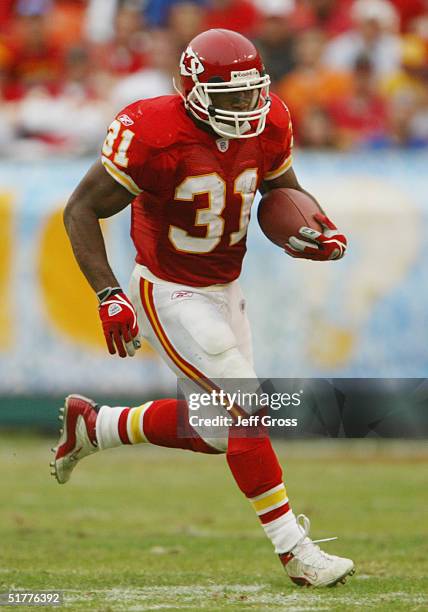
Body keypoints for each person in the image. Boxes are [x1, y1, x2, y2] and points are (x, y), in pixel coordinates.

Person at [50, 28, 353, 588]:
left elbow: (281, 193)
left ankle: (97, 426)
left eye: (252, 93)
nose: (246, 107)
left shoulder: (271, 120)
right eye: (230, 97)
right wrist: (108, 293)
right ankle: (295, 552)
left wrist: (315, 229)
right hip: (169, 290)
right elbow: (80, 209)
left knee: (220, 431)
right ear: (193, 91)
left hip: (225, 288)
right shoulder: (152, 131)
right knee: (248, 406)